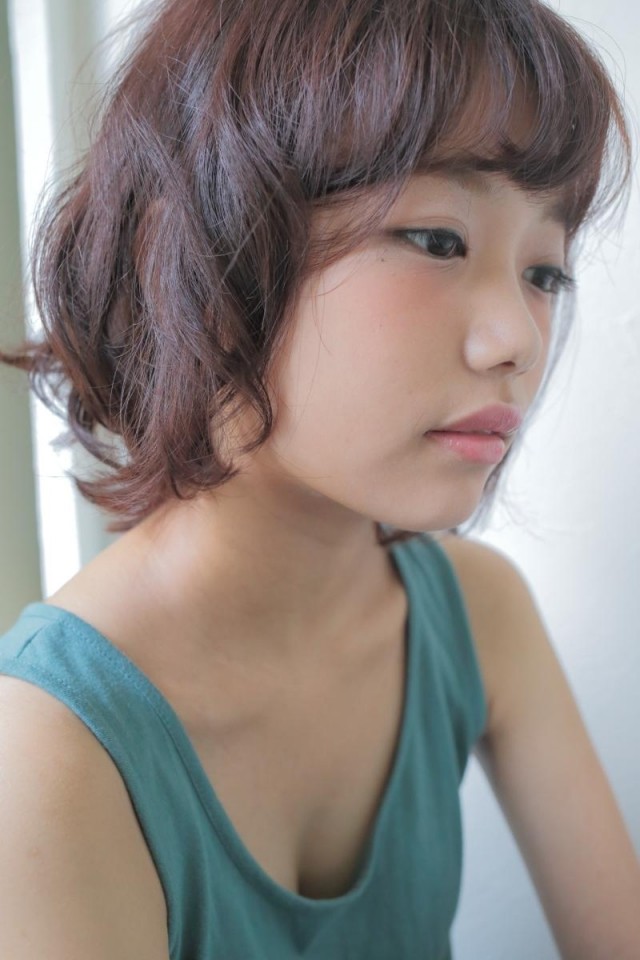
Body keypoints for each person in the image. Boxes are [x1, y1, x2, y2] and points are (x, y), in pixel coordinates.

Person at [1, 0, 639, 957]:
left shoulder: (473, 613)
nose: (516, 339)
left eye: (545, 273)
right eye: (438, 240)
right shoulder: (47, 753)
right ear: (202, 257)